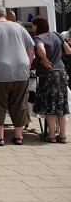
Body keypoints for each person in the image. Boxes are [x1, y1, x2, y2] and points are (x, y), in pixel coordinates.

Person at [0, 4, 35, 146]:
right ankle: (18, 136)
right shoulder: (19, 27)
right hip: (21, 71)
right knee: (20, 103)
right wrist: (28, 65)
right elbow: (31, 48)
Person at [31, 15, 70, 143]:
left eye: (33, 25)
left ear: (37, 26)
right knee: (61, 105)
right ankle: (63, 136)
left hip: (48, 74)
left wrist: (44, 58)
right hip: (62, 72)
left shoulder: (39, 38)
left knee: (50, 105)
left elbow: (41, 48)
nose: (32, 27)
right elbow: (68, 50)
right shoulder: (57, 35)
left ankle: (51, 136)